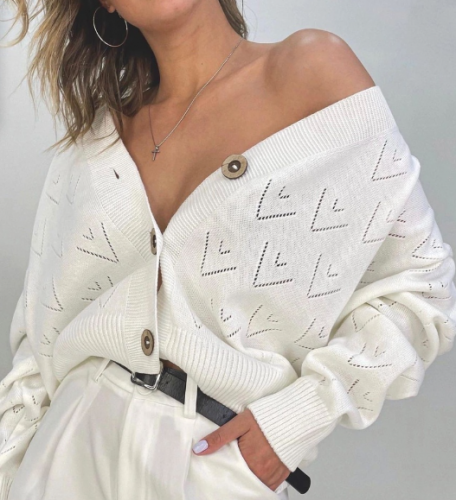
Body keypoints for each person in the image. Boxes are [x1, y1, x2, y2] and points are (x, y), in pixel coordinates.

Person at [1, 1, 455, 499]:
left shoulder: (310, 70)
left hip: (214, 461)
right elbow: (37, 347)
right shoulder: (94, 140)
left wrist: (300, 417)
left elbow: (423, 286)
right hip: (68, 446)